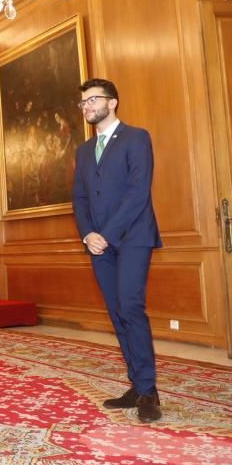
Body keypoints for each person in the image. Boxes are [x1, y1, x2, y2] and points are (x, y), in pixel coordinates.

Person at [72, 77, 163, 423]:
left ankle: (149, 390)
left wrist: (105, 234)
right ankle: (137, 385)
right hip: (99, 244)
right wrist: (87, 235)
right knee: (116, 312)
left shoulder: (136, 138)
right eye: (83, 102)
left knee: (131, 306)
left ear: (113, 102)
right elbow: (79, 198)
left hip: (133, 237)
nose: (87, 106)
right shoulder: (83, 151)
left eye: (93, 100)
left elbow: (139, 193)